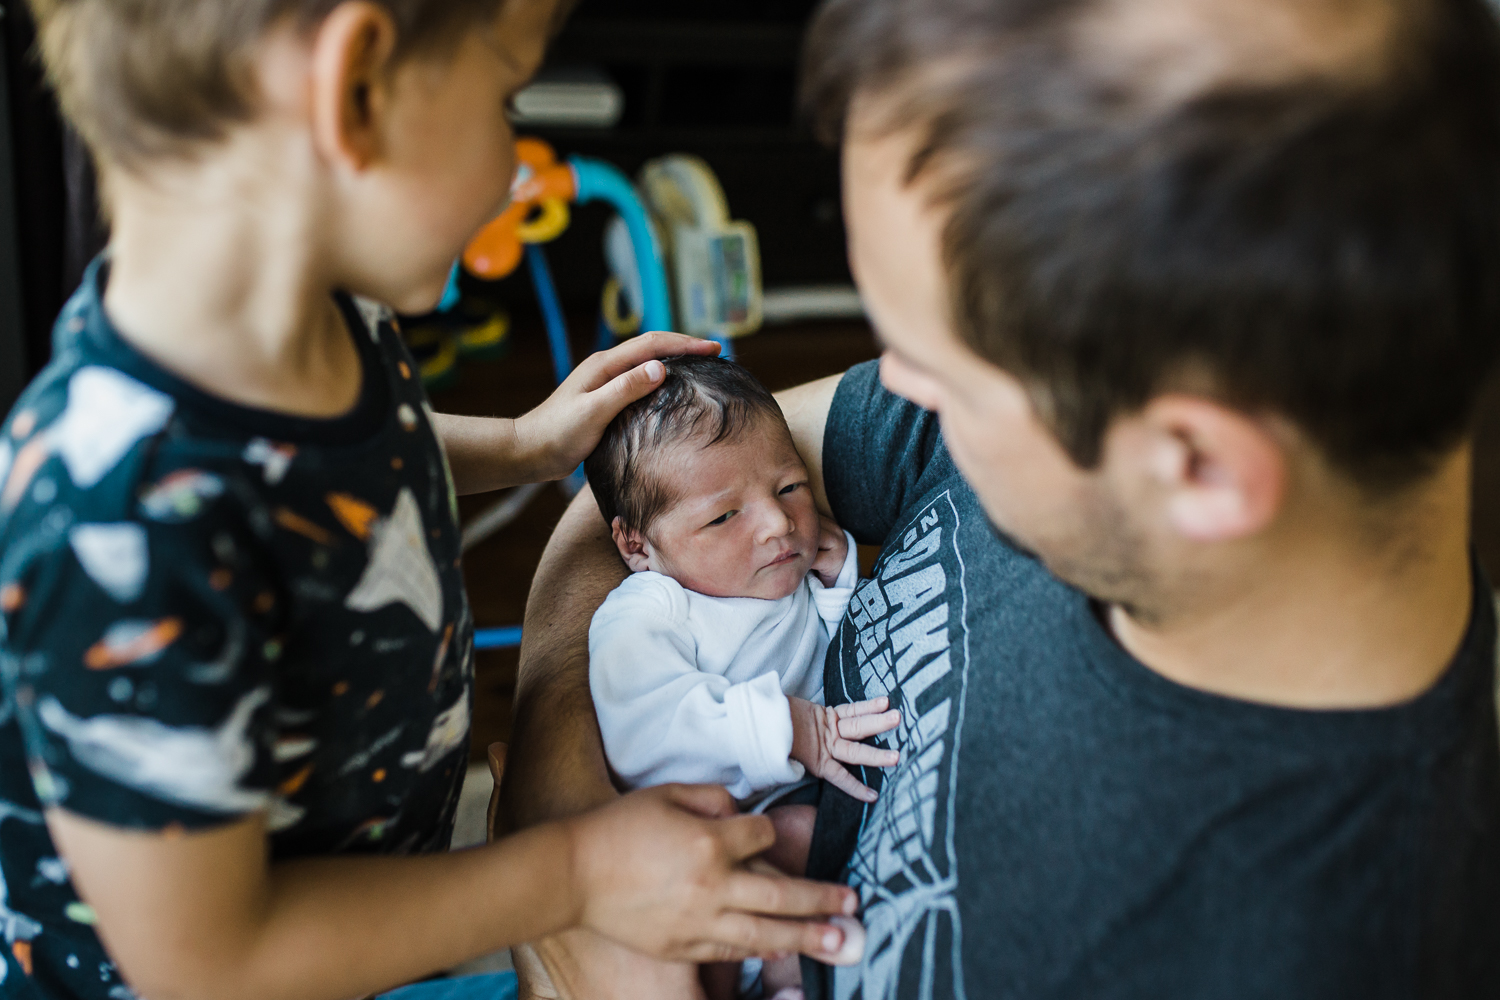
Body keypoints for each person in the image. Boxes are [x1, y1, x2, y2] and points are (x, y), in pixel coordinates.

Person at [494, 0, 1500, 996]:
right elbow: (629, 499)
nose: (895, 388)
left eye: (943, 369)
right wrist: (563, 835)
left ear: (1197, 465)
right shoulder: (1116, 406)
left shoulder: (1262, 948)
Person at [0, 2, 863, 999]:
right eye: (504, 96)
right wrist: (578, 871)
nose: (511, 164)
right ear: (357, 88)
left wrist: (528, 446)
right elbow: (210, 962)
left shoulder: (315, 311)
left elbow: (346, 462)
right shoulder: (121, 525)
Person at [584, 356, 900, 999]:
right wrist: (787, 726)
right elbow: (643, 727)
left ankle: (791, 978)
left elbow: (834, 661)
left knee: (810, 852)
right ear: (638, 545)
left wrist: (839, 591)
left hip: (784, 805)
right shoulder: (651, 609)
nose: (779, 524)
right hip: (692, 834)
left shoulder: (785, 574)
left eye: (789, 487)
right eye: (724, 516)